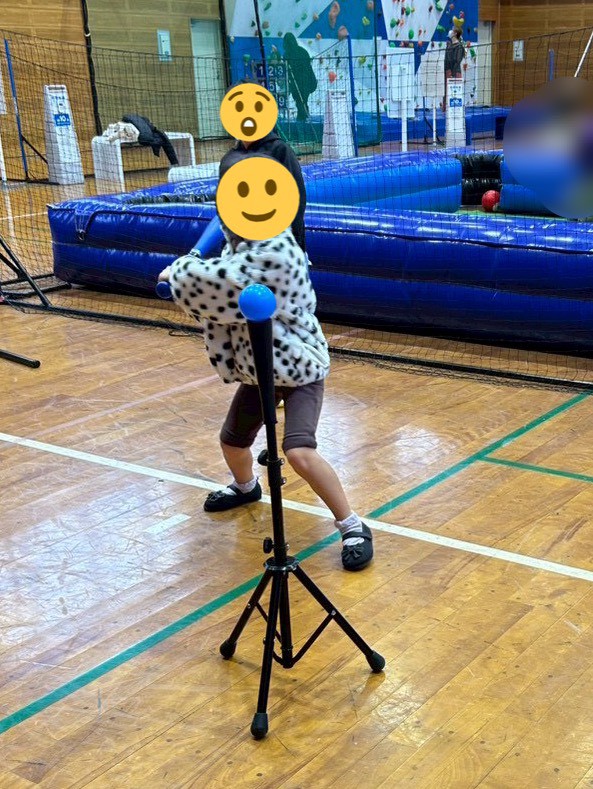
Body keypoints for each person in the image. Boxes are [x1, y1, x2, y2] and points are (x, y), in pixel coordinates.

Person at [159, 154, 373, 572]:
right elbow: (225, 268)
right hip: (260, 370)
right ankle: (246, 487)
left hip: (299, 369)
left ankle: (352, 525)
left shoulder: (279, 252)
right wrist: (192, 267)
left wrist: (178, 273)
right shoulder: (240, 245)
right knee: (232, 441)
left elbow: (224, 286)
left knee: (299, 452)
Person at [219, 82, 307, 253]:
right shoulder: (230, 159)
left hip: (278, 249)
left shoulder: (279, 151)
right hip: (243, 249)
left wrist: (291, 246)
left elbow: (297, 201)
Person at [442, 28, 465, 111]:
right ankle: (446, 108)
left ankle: (456, 109)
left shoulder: (459, 47)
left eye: (452, 30)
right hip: (447, 71)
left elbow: (458, 61)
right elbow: (446, 60)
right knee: (446, 90)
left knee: (455, 92)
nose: (450, 32)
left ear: (455, 33)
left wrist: (453, 73)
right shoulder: (449, 45)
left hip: (455, 72)